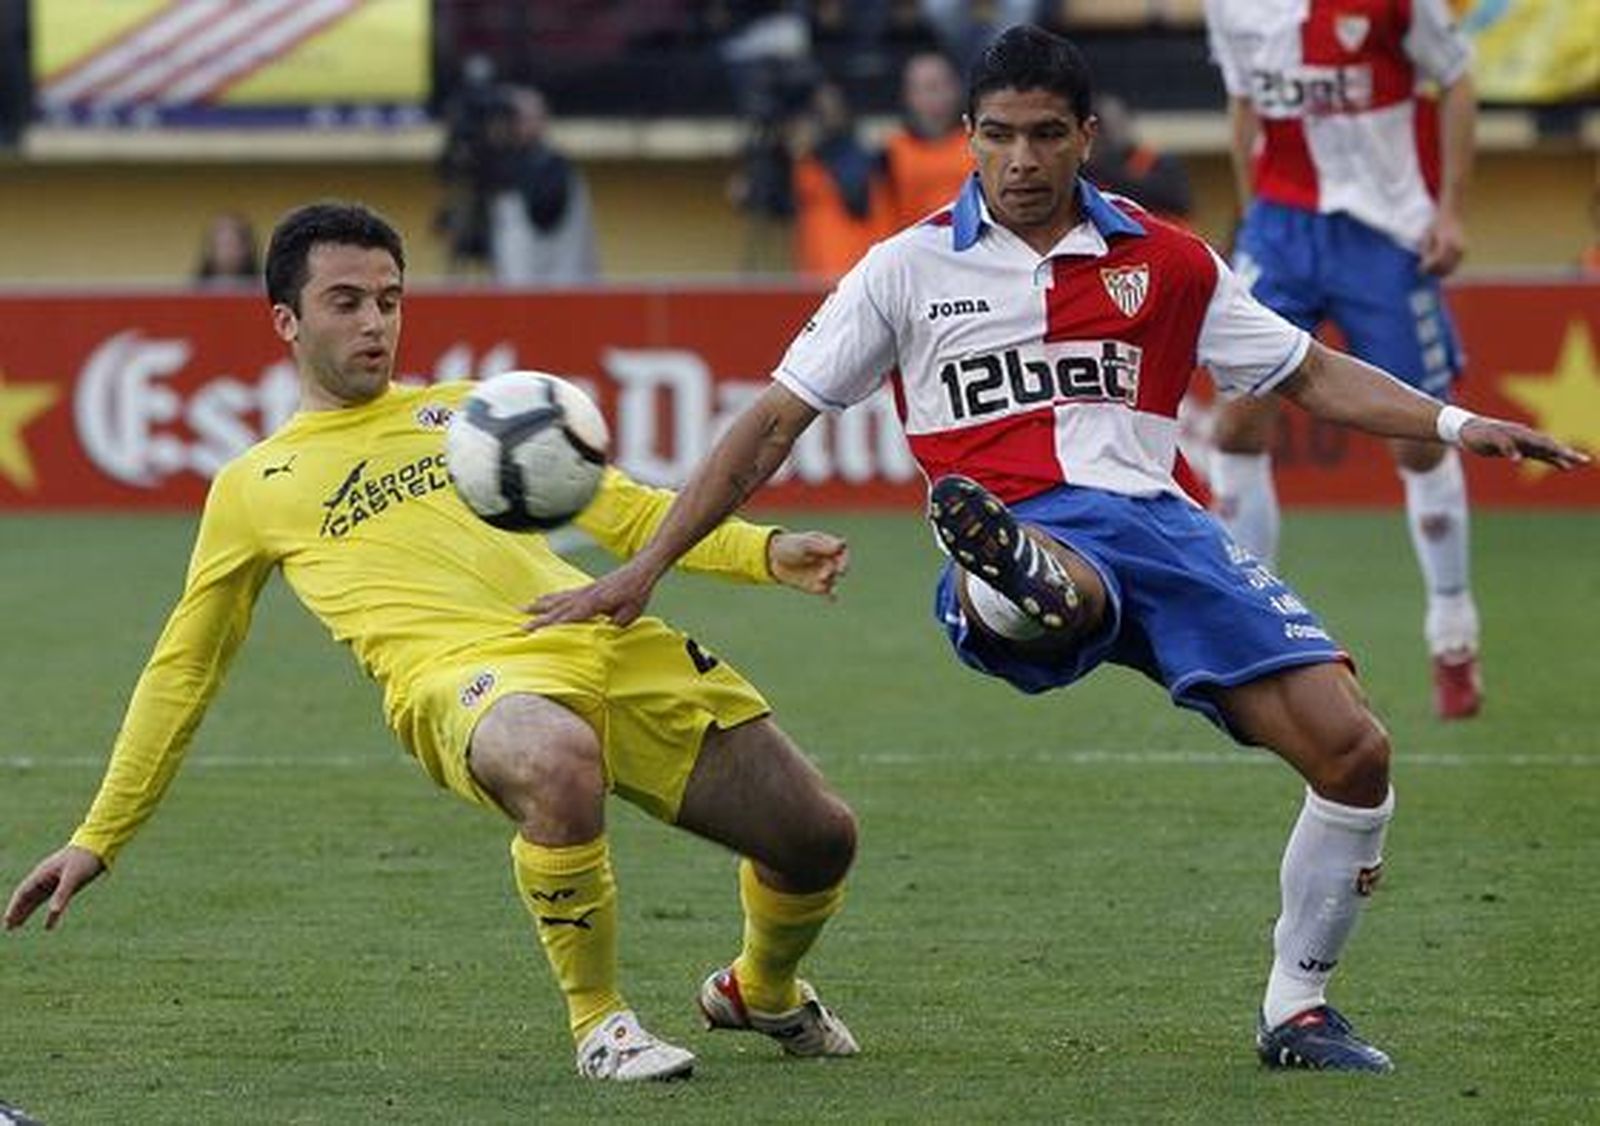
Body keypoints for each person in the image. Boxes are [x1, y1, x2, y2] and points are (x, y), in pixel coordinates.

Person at [528, 26, 1587, 1074]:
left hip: (1168, 534)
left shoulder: (1166, 259)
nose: (1021, 161)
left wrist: (1453, 423)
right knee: (1054, 579)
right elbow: (769, 424)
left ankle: (1297, 1008)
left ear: (1086, 135)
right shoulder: (902, 270)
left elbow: (1307, 372)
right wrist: (646, 565)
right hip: (1023, 514)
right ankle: (1006, 578)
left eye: (1044, 135)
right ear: (967, 137)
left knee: (1354, 752)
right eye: (997, 136)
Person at [3, 202, 861, 1082]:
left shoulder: (472, 415)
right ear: (286, 321)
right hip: (463, 683)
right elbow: (185, 666)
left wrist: (763, 550)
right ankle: (601, 1022)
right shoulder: (253, 487)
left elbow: (628, 510)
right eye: (345, 301)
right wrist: (98, 835)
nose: (375, 322)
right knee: (557, 760)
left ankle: (761, 988)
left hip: (603, 639)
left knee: (819, 838)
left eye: (389, 298)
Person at [1202, 0, 1485, 719]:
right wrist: (1252, 221)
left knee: (1418, 442)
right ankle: (1250, 637)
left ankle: (1453, 630)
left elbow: (1456, 78)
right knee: (1236, 427)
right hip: (1280, 232)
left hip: (1385, 235)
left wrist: (1451, 209)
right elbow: (1243, 106)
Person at [486, 86, 600, 285]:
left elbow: (543, 213)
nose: (513, 126)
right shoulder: (505, 170)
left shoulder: (552, 168)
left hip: (562, 291)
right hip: (522, 296)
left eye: (522, 118)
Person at [787, 79, 884, 280]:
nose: (826, 117)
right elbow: (780, 202)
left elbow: (856, 198)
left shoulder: (859, 154)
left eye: (831, 109)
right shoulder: (805, 161)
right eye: (818, 110)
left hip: (856, 276)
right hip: (814, 276)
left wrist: (819, 148)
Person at [881, 51, 975, 231]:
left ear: (958, 88)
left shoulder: (982, 142)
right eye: (925, 88)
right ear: (907, 96)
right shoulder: (890, 153)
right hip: (913, 251)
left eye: (941, 85)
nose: (934, 97)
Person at [1080, 92, 1193, 222]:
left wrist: (1107, 173)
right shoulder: (1083, 171)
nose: (1111, 132)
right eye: (1099, 128)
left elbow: (1178, 202)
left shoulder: (1157, 162)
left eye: (1116, 123)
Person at [194, 211, 260, 285]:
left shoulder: (263, 288)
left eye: (231, 243)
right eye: (222, 243)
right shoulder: (193, 289)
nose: (227, 251)